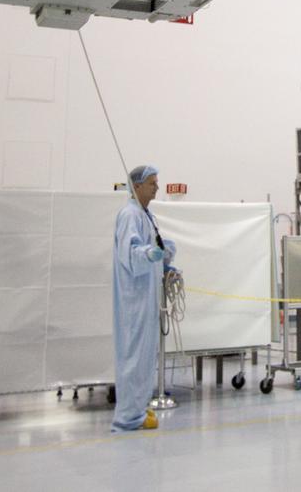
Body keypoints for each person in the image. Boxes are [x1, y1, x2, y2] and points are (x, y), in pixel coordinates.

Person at [111, 164, 176, 432]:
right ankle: (126, 417)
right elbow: (131, 252)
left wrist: (165, 262)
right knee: (133, 358)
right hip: (134, 299)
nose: (157, 187)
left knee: (144, 359)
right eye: (152, 183)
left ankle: (137, 411)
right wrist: (148, 255)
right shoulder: (130, 215)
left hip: (146, 296)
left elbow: (153, 247)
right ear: (136, 186)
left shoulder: (146, 215)